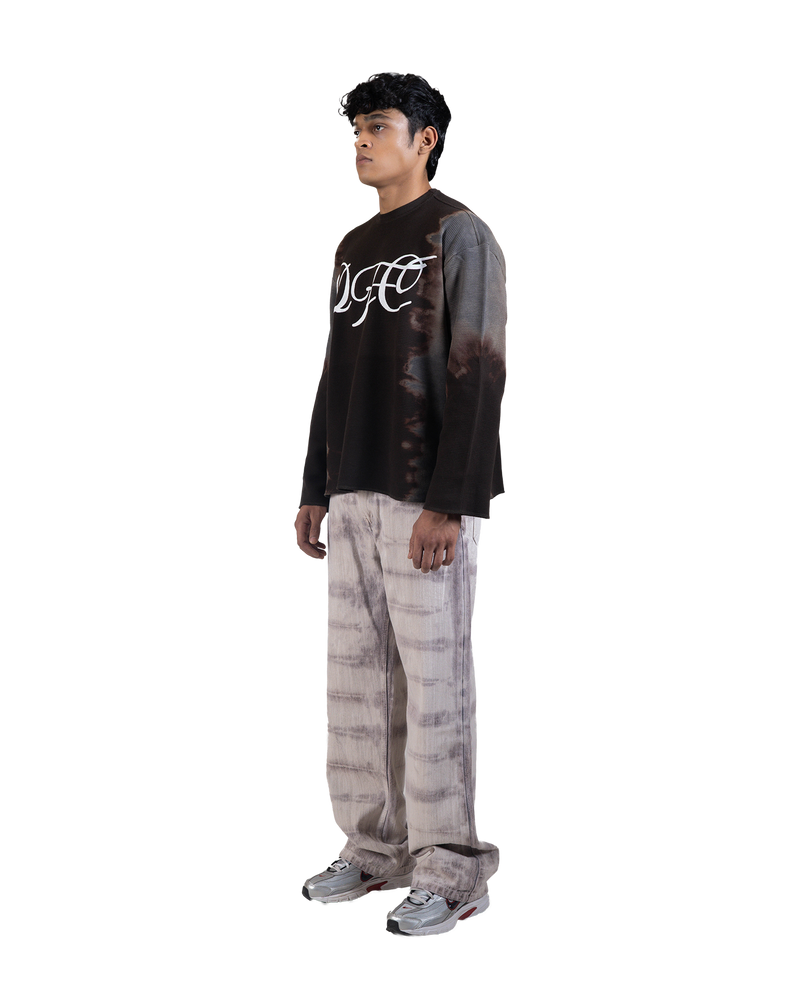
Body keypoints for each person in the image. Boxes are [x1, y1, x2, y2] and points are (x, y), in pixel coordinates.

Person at [293, 68, 508, 942]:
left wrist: (451, 503)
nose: (360, 141)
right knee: (354, 683)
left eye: (377, 126)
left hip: (426, 497)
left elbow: (482, 369)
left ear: (425, 139)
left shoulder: (460, 230)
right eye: (354, 129)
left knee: (435, 687)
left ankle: (452, 870)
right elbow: (333, 372)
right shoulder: (351, 245)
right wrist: (315, 487)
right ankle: (373, 850)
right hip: (352, 491)